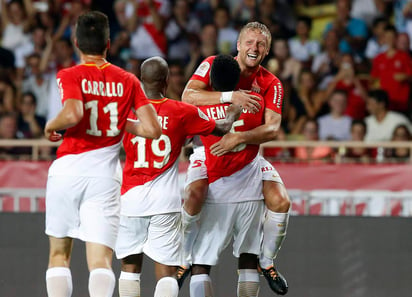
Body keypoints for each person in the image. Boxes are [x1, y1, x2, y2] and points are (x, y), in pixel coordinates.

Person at [43, 11, 161, 297]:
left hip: (67, 171)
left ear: (75, 42)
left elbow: (73, 112)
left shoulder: (69, 74)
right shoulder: (128, 80)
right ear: (108, 43)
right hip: (104, 177)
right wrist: (120, 121)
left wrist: (51, 125)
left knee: (59, 255)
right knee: (100, 262)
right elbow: (152, 129)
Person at [115, 55, 241, 297]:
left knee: (129, 268)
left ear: (142, 81)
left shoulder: (127, 113)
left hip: (130, 199)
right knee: (167, 272)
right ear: (167, 81)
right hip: (164, 202)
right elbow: (223, 128)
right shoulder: (182, 112)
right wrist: (234, 109)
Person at [181, 22, 290, 296]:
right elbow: (188, 95)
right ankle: (180, 258)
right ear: (239, 45)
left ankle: (268, 262)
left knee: (281, 201)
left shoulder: (271, 84)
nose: (254, 48)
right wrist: (232, 96)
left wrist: (239, 138)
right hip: (208, 154)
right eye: (250, 42)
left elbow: (273, 128)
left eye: (260, 44)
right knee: (193, 196)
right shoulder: (214, 65)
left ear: (266, 51)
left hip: (247, 159)